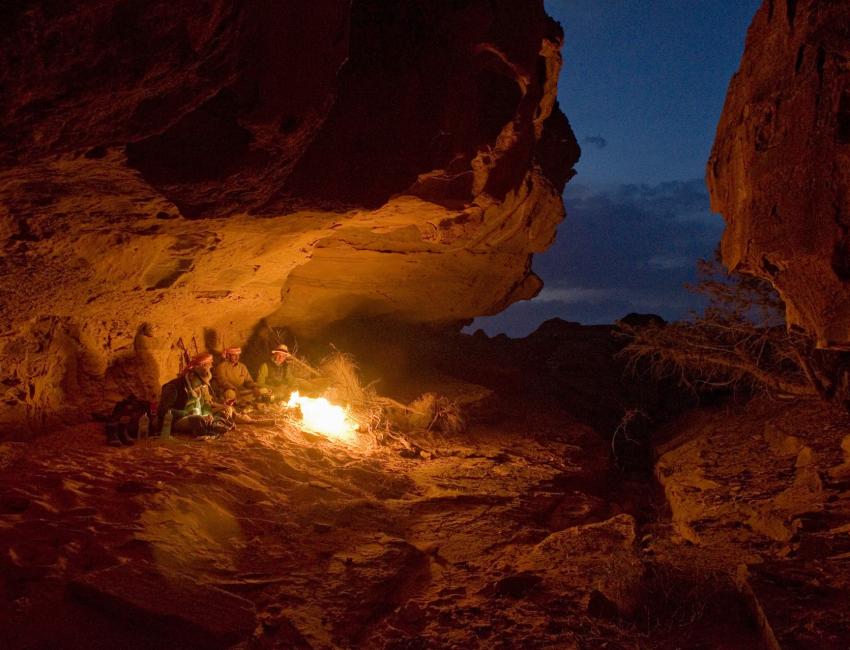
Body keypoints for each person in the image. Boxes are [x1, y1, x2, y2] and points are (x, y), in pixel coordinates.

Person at [157, 353, 234, 436]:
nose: (201, 385)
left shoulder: (199, 387)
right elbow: (162, 410)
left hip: (199, 417)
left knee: (223, 412)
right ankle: (212, 426)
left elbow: (204, 407)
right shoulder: (174, 387)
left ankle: (213, 424)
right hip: (179, 420)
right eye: (201, 382)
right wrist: (186, 413)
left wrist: (208, 415)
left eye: (203, 384)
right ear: (192, 376)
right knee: (197, 419)